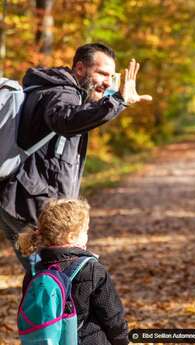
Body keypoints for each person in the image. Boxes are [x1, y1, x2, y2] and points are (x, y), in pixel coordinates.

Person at [0, 43, 152, 271]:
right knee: (56, 277)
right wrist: (118, 101)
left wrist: (117, 100)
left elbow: (87, 110)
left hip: (19, 198)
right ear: (80, 69)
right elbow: (67, 119)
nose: (108, 82)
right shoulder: (63, 92)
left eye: (112, 76)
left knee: (44, 278)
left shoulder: (51, 88)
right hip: (35, 204)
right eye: (102, 73)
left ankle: (43, 306)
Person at [17, 198, 128, 345]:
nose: (87, 236)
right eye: (85, 231)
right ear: (71, 236)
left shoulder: (34, 271)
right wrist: (122, 341)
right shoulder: (92, 269)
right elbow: (112, 316)